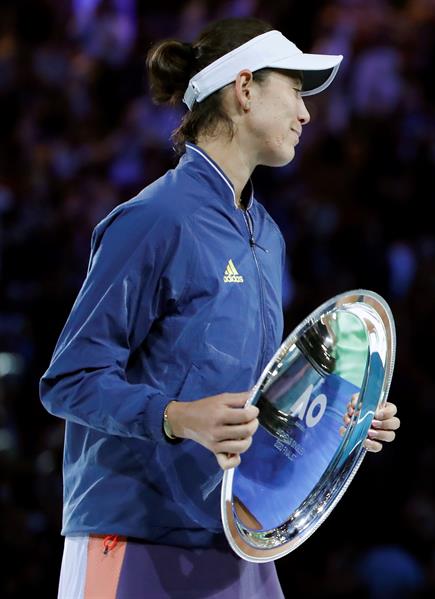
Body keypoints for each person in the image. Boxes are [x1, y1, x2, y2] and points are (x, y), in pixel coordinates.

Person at [39, 18, 400, 598]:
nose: (306, 114)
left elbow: (257, 398)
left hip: (240, 535)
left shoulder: (267, 234)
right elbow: (69, 381)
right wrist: (179, 417)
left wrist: (340, 424)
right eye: (296, 90)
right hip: (135, 534)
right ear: (245, 88)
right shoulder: (155, 218)